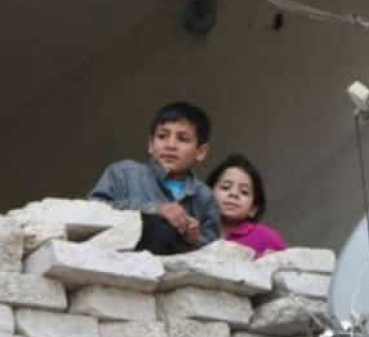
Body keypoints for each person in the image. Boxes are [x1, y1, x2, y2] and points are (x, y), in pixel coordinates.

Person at [89, 102, 220, 255]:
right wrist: (154, 209)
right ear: (151, 145)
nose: (170, 145)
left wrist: (195, 238)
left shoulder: (205, 197)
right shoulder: (123, 174)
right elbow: (93, 211)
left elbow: (215, 250)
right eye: (162, 136)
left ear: (201, 152)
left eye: (182, 139)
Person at [207, 154, 287, 257]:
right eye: (225, 187)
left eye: (244, 192)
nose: (234, 194)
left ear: (253, 209)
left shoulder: (267, 238)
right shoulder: (194, 232)